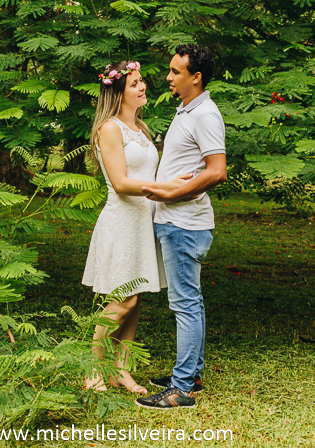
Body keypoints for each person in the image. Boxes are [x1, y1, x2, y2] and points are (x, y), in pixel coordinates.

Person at [82, 60, 193, 395]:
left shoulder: (141, 129)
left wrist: (172, 184)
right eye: (134, 84)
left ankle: (121, 370)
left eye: (141, 81)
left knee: (136, 299)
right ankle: (93, 369)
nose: (142, 86)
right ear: (117, 93)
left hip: (143, 222)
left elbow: (146, 174)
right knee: (123, 301)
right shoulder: (109, 129)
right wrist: (166, 187)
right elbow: (120, 183)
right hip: (121, 222)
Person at [136, 44, 226, 410]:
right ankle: (193, 374)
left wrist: (171, 194)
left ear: (196, 77)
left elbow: (217, 171)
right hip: (177, 222)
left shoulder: (205, 114)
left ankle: (181, 388)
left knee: (185, 303)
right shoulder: (187, 110)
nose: (168, 77)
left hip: (184, 224)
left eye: (176, 71)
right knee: (191, 300)